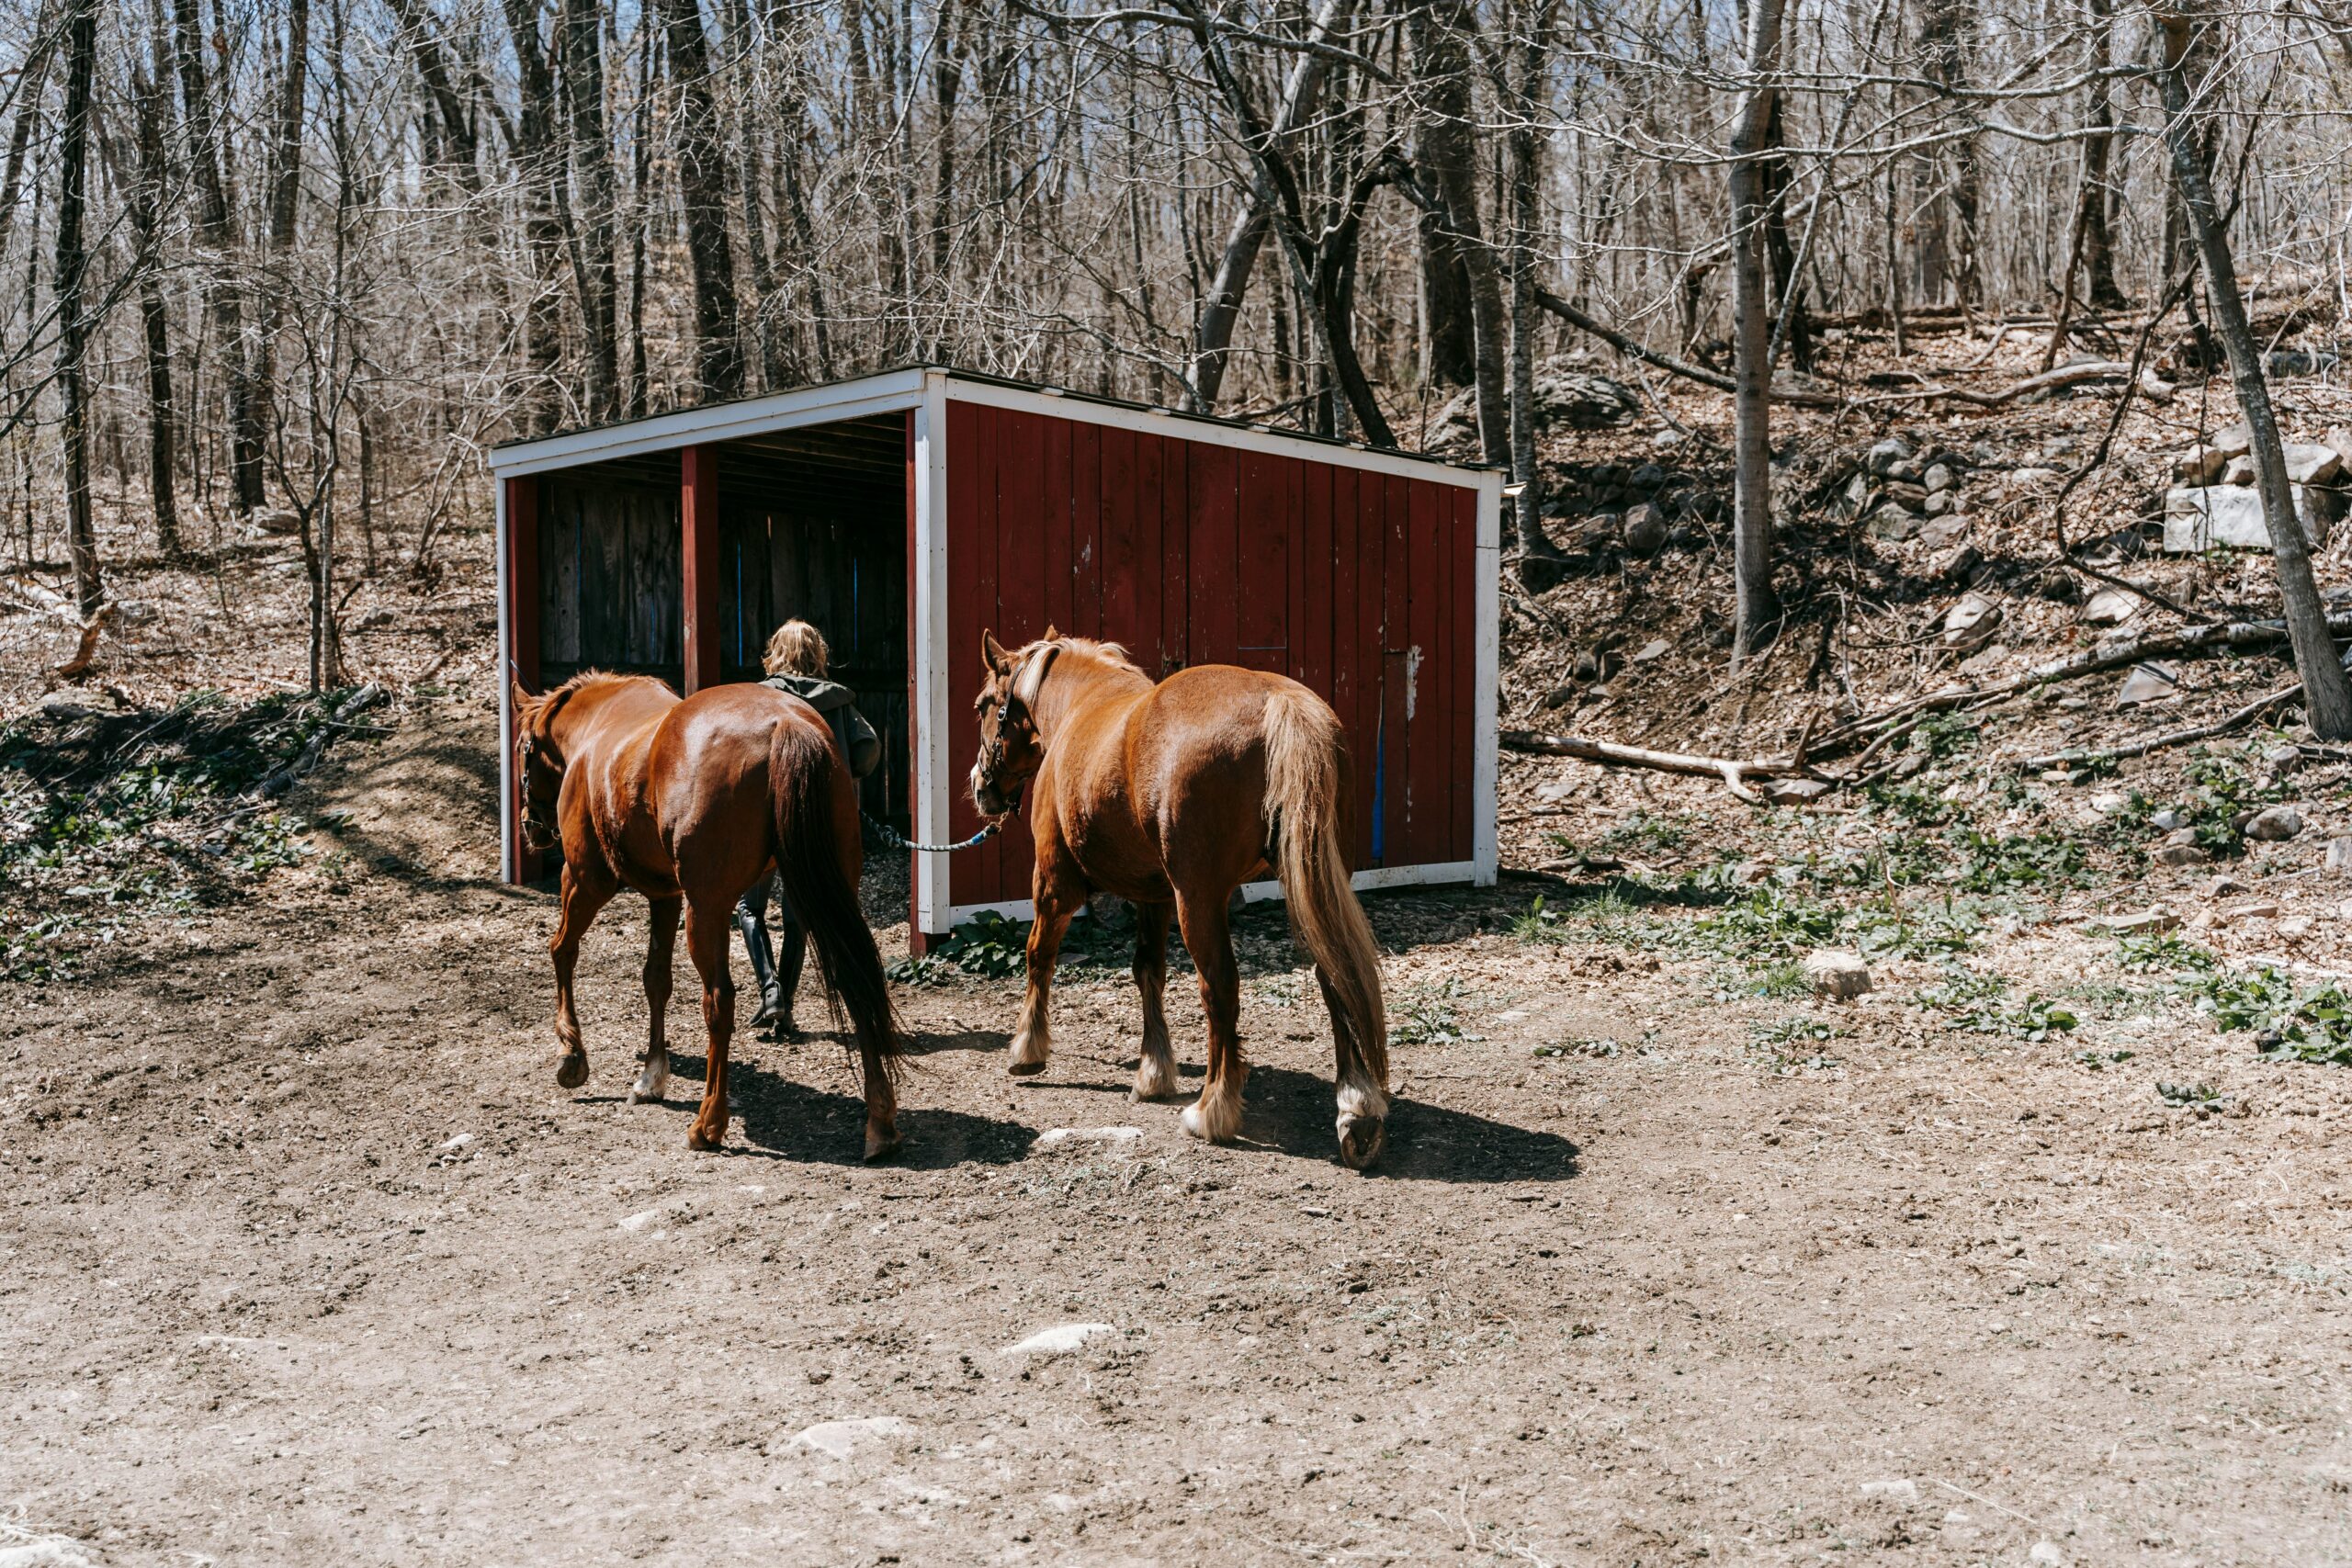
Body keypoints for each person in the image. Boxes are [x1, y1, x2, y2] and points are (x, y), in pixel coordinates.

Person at [738, 619, 881, 1036]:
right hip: (813, 823)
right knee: (799, 910)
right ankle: (787, 1002)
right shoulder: (836, 703)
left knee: (750, 907)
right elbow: (868, 747)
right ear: (818, 654)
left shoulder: (760, 700)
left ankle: (771, 992)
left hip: (764, 819)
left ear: (776, 653)